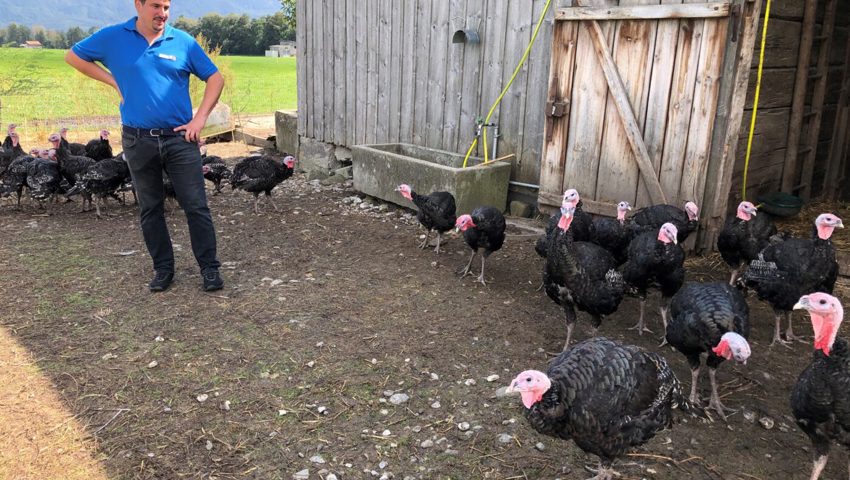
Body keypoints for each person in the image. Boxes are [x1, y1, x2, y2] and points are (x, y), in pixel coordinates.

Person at [65, 0, 225, 293]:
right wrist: (113, 81)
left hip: (180, 139)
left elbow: (215, 78)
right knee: (150, 207)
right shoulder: (113, 37)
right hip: (138, 140)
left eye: (166, 7)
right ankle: (163, 269)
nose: (162, 13)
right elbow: (74, 56)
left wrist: (199, 120)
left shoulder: (183, 42)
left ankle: (210, 269)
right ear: (138, 4)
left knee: (196, 206)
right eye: (155, 5)